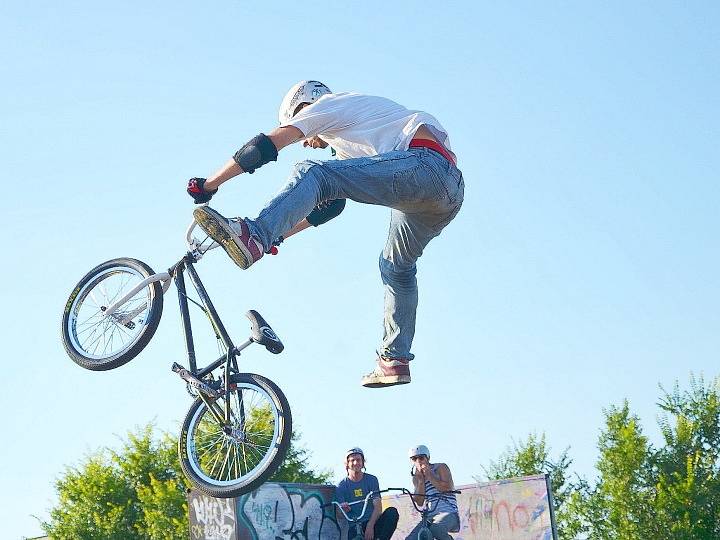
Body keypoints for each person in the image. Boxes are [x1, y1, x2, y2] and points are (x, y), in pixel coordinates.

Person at [186, 81, 464, 388]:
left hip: (424, 167)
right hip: (445, 194)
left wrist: (210, 184)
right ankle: (393, 360)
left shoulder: (326, 107)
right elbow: (328, 207)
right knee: (395, 267)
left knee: (312, 171)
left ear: (304, 107)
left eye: (295, 123)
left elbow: (266, 145)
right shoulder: (355, 135)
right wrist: (279, 236)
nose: (306, 141)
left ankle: (254, 234)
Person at [335, 447, 399, 540]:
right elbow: (339, 514)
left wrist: (370, 525)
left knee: (392, 512)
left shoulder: (371, 480)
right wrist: (343, 509)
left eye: (358, 460)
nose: (356, 463)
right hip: (354, 526)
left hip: (372, 522)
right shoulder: (341, 486)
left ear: (363, 462)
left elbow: (378, 507)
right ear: (347, 464)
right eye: (352, 460)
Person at [407, 444, 459, 540]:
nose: (418, 461)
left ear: (428, 458)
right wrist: (421, 481)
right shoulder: (416, 478)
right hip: (430, 516)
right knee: (412, 538)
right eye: (414, 459)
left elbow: (447, 488)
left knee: (436, 529)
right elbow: (419, 502)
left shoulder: (440, 467)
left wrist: (429, 475)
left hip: (448, 512)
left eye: (421, 458)